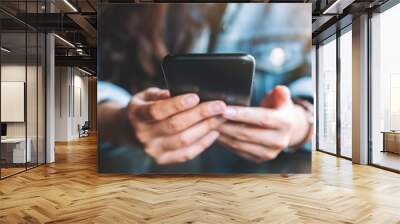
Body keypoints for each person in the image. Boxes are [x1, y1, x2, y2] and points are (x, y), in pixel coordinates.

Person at [98, 3, 313, 173]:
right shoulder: (126, 10)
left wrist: (300, 124)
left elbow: (322, 82)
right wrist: (122, 124)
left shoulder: (300, 11)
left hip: (261, 185)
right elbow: (97, 85)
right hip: (162, 185)